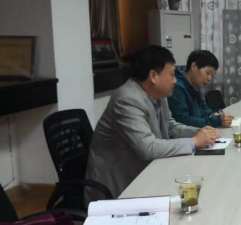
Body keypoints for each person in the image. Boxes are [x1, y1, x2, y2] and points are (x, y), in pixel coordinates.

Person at [85, 45, 219, 204]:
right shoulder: (127, 99)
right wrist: (194, 142)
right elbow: (147, 147)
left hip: (146, 171)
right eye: (172, 75)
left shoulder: (159, 94)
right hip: (118, 185)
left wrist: (200, 132)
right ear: (153, 76)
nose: (175, 80)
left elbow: (170, 127)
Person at [168, 50, 234, 128]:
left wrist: (212, 114)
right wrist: (216, 121)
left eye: (212, 75)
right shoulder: (177, 87)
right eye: (208, 73)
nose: (209, 78)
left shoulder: (195, 84)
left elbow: (202, 108)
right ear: (193, 67)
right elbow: (182, 121)